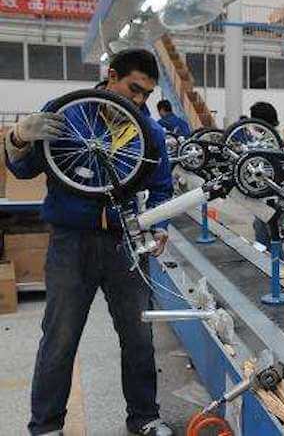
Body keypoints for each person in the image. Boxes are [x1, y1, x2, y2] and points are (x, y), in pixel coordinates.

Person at [6, 49, 174, 436]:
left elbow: (162, 187)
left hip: (125, 243)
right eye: (133, 90)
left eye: (146, 95)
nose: (138, 101)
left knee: (138, 335)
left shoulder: (147, 130)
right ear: (111, 76)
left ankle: (145, 417)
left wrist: (160, 225)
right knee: (60, 337)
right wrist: (18, 136)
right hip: (71, 241)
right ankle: (46, 426)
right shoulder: (68, 112)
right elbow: (24, 167)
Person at [249, 102, 284, 262]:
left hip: (274, 196)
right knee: (265, 232)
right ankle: (276, 271)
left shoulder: (274, 139)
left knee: (266, 234)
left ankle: (279, 273)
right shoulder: (269, 137)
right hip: (269, 195)